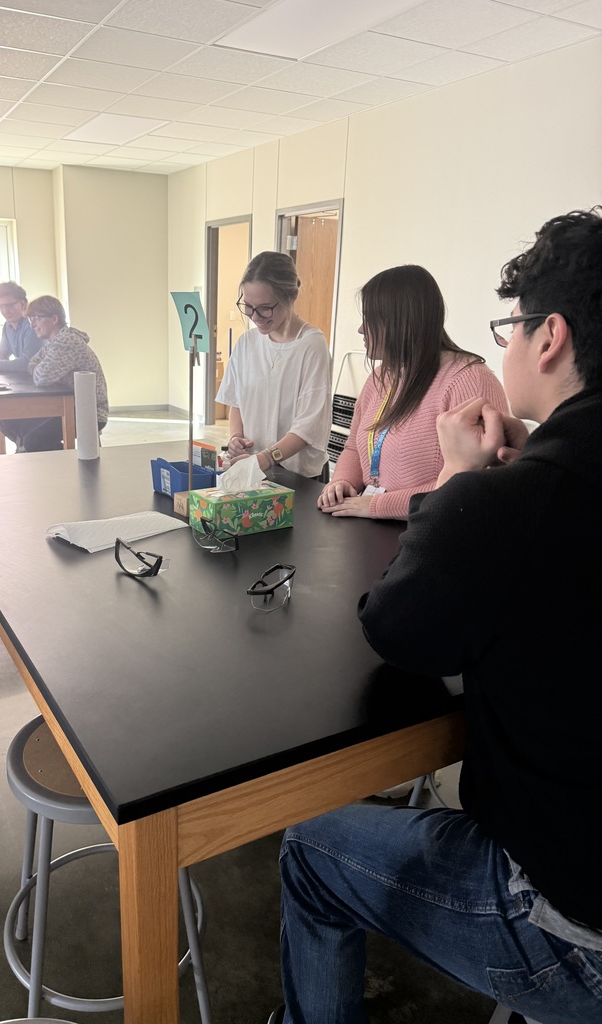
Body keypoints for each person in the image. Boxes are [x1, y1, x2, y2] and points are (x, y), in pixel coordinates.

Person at [273, 209, 602, 1024]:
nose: (508, 347)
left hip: (574, 920)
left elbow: (398, 631)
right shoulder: (533, 479)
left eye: (514, 329)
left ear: (550, 337)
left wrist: (465, 486)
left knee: (309, 848)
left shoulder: (502, 485)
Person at [318, 265, 509, 521]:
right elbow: (354, 446)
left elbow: (475, 482)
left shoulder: (469, 379)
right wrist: (340, 482)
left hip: (434, 529)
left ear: (399, 322)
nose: (361, 330)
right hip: (371, 524)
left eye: (369, 320)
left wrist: (377, 505)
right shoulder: (379, 378)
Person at [216, 251, 331, 478]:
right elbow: (237, 402)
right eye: (248, 306)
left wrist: (266, 458)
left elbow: (309, 426)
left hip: (297, 476)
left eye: (265, 307)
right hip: (253, 468)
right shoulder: (247, 343)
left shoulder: (311, 345)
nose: (255, 316)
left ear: (290, 297)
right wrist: (236, 437)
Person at [0, 295, 108, 452]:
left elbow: (41, 377)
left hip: (89, 412)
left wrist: (41, 370)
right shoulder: (52, 342)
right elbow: (32, 364)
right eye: (31, 319)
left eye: (37, 318)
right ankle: (36, 453)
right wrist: (40, 369)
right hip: (69, 405)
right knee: (20, 425)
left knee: (33, 441)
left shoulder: (66, 342)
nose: (33, 324)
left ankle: (62, 463)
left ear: (54, 319)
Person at [0, 281, 42, 373]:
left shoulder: (33, 325)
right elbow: (1, 354)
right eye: (1, 306)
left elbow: (27, 363)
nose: (5, 311)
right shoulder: (7, 326)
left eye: (10, 305)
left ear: (23, 304)